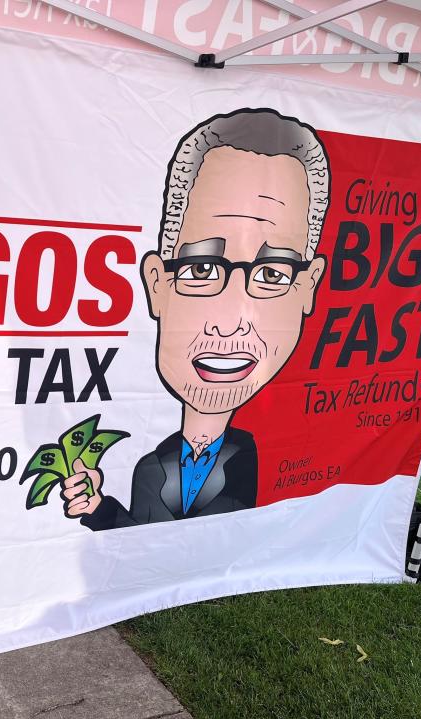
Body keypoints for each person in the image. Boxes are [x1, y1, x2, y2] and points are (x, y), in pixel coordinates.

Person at [60, 108, 329, 530]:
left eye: (272, 275)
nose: (231, 322)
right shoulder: (151, 466)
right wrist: (98, 509)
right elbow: (141, 546)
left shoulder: (281, 461)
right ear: (156, 284)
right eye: (201, 270)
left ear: (307, 288)